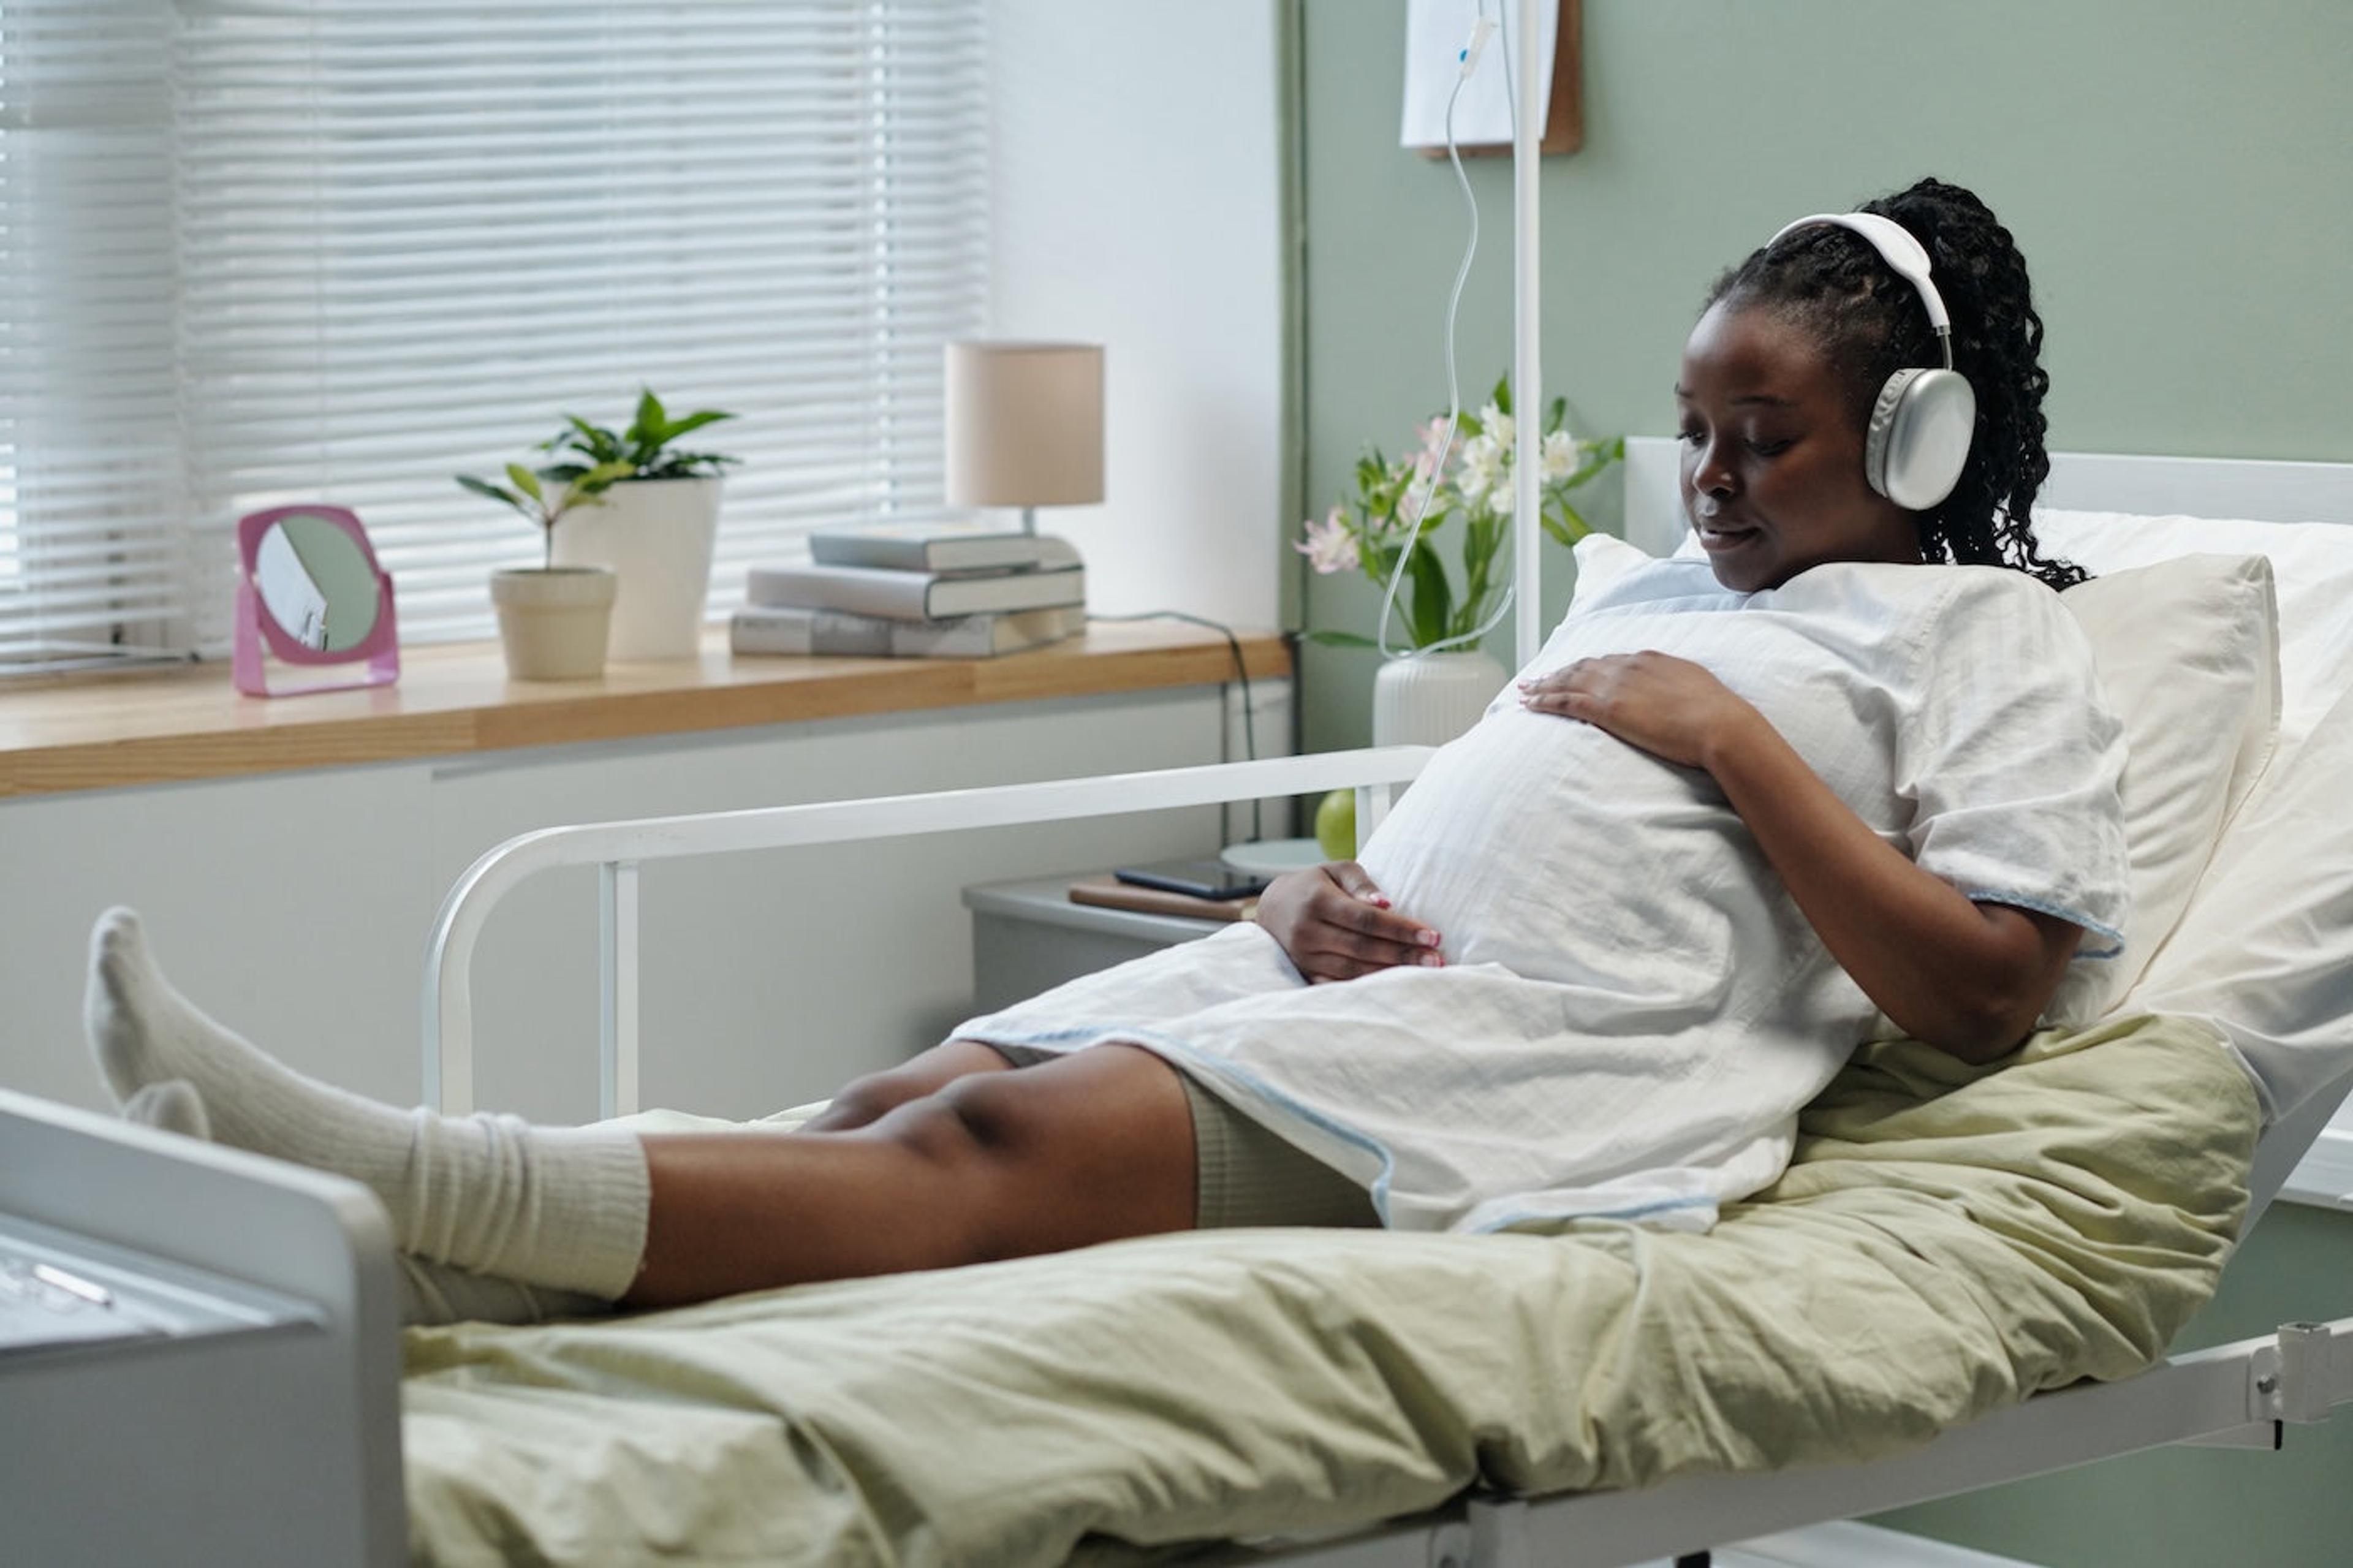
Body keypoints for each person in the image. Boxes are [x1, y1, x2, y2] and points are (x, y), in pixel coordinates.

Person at [83, 177, 2127, 1325]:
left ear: (1917, 439)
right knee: (917, 1084)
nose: (1706, 478)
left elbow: (1990, 998)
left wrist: (1734, 749)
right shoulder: (1661, 595)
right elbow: (1489, 819)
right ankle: (417, 1294)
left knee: (983, 1156)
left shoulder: (1981, 637)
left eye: (1760, 439)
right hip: (1350, 974)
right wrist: (1318, 883)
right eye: (1691, 427)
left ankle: (370, 1184)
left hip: (1560, 1061)